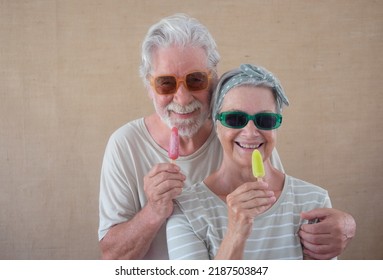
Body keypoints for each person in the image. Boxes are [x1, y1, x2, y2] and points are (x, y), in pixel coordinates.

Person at [98, 14, 356, 260]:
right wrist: (154, 211)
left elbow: (281, 215)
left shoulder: (246, 139)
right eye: (166, 83)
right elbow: (111, 256)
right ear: (149, 86)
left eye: (196, 80)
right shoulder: (125, 145)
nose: (183, 97)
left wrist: (345, 225)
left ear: (214, 81)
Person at [167, 63, 334, 259]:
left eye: (265, 119)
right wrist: (236, 234)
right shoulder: (186, 209)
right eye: (235, 118)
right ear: (216, 124)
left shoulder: (314, 202)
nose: (251, 132)